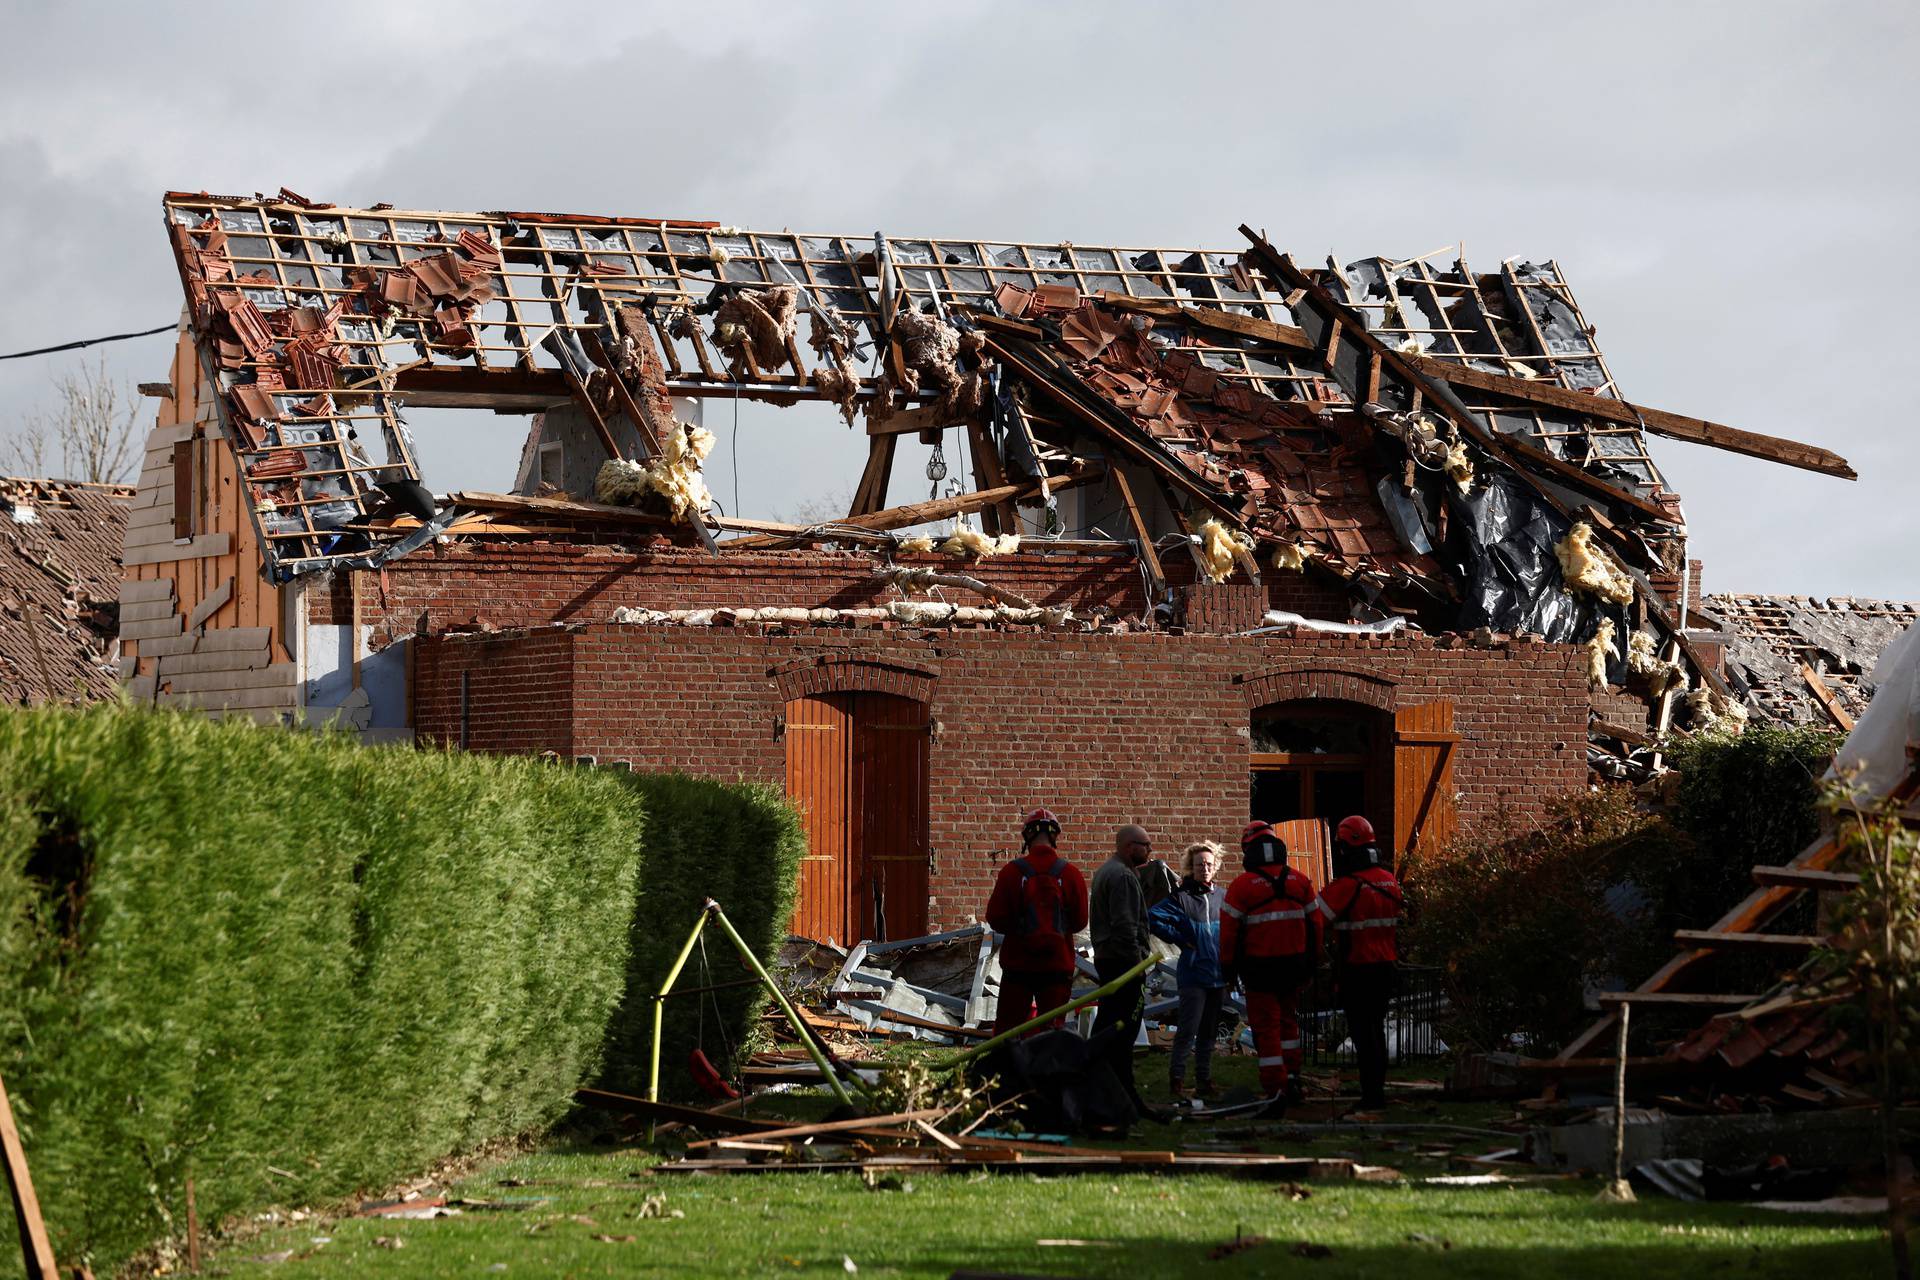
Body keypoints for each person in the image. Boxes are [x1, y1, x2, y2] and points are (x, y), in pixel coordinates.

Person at [1220, 820, 1320, 1115]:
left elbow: (1228, 935)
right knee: (1289, 1025)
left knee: (1266, 1029)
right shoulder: (1300, 881)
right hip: (1295, 967)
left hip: (1259, 970)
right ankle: (1292, 1080)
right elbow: (1315, 927)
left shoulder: (1241, 887)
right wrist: (1311, 965)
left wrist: (1228, 971)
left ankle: (1274, 1091)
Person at [1314, 814, 1403, 1110]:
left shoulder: (1347, 886)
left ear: (1346, 848)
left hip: (1357, 969)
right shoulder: (1390, 882)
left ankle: (1371, 1097)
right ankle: (1376, 1091)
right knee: (1375, 1031)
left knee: (1363, 1034)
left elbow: (1314, 920)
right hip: (1386, 967)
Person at [985, 808, 1088, 1037]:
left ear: (1027, 837)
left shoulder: (1011, 872)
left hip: (1018, 965)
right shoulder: (1071, 874)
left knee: (1008, 1031)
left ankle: (1010, 1071)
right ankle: (1046, 1071)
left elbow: (995, 919)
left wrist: (1021, 928)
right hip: (1057, 965)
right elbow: (1080, 921)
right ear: (1055, 836)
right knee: (1052, 1033)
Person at [1148, 841, 1227, 1099]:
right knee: (1187, 1030)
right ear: (1190, 868)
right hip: (1193, 974)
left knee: (1209, 1032)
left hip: (1217, 975)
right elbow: (1152, 917)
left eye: (1208, 864)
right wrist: (1180, 938)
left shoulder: (1223, 897)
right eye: (1199, 864)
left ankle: (1204, 1080)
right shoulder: (1181, 898)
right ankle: (1177, 1081)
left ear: (1215, 867)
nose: (1204, 868)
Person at [1089, 824, 1154, 1111]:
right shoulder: (1123, 876)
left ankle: (1105, 1085)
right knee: (1123, 1030)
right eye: (1145, 845)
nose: (1150, 850)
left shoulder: (1109, 870)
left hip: (1108, 959)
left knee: (1108, 1023)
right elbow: (1126, 927)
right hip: (1122, 964)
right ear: (1129, 846)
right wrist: (1137, 965)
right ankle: (1120, 1091)